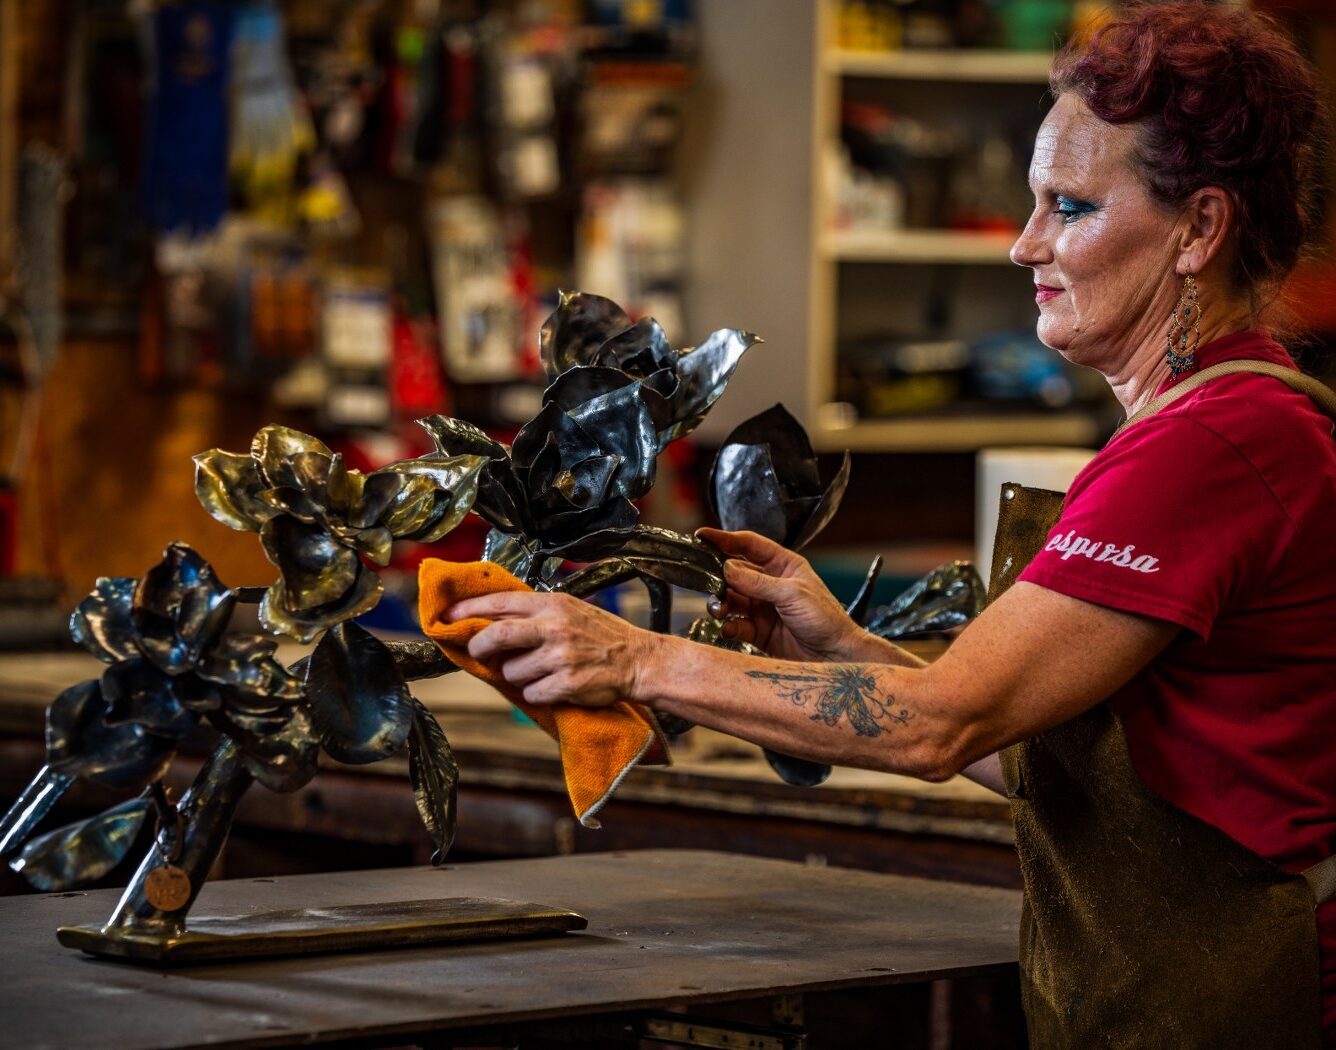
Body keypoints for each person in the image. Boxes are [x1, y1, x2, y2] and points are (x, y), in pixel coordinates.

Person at [443, 3, 1336, 1044]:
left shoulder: (1214, 446)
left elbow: (936, 726)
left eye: (1071, 207)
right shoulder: (1204, 426)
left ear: (1200, 229)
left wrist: (631, 659)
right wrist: (850, 652)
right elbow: (1036, 750)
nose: (1025, 244)